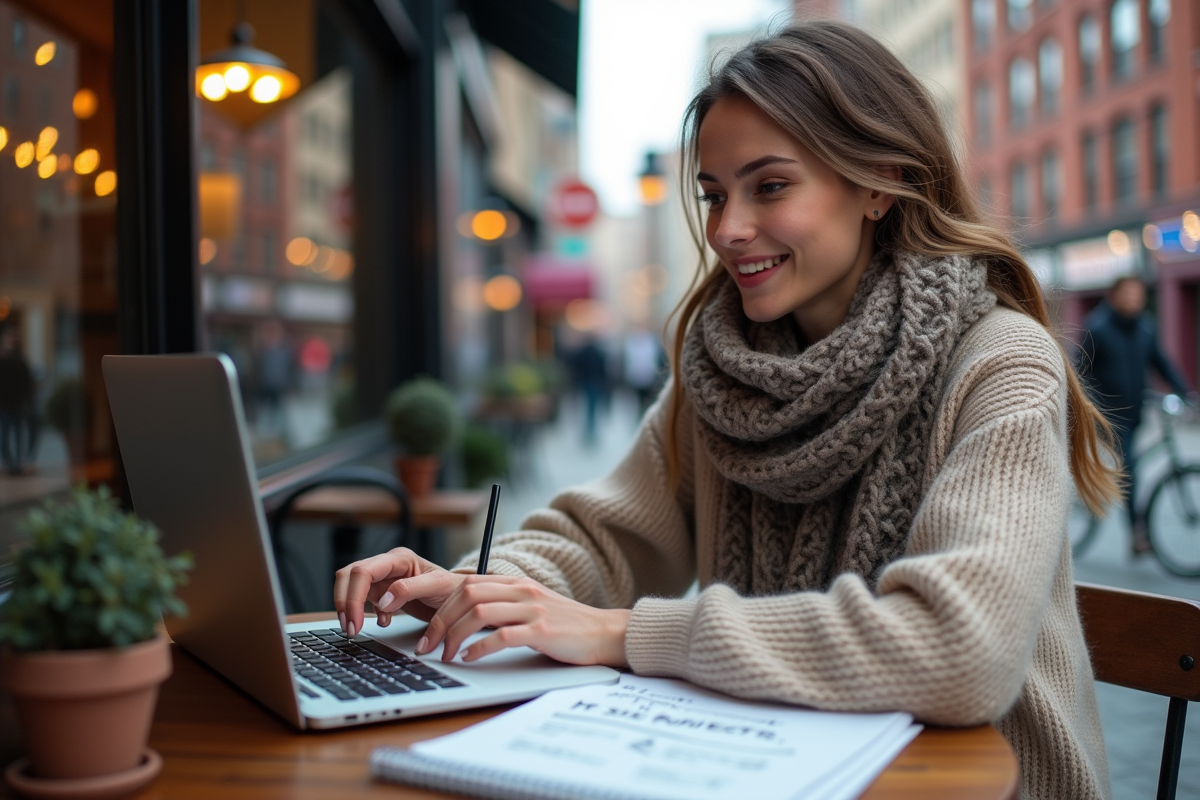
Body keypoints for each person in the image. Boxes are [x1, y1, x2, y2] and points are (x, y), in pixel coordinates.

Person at [334, 22, 1120, 800]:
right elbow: (603, 540)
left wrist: (624, 634)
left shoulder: (1000, 361)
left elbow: (962, 651)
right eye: (714, 194)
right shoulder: (722, 374)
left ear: (878, 182)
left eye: (769, 186)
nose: (727, 229)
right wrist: (480, 587)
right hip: (773, 766)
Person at [1076, 275, 1191, 554]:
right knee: (1131, 472)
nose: (1133, 300)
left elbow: (1161, 363)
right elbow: (1079, 373)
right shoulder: (1097, 328)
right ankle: (1136, 535)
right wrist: (1094, 407)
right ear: (1113, 297)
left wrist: (1184, 392)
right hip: (1109, 418)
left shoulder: (1146, 328)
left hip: (1136, 412)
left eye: (1137, 295)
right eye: (1127, 295)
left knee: (1130, 466)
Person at [0, 324, 35, 476]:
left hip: (16, 404)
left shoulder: (19, 360)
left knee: (15, 436)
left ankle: (17, 465)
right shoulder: (8, 359)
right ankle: (12, 464)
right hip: (7, 405)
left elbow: (27, 383)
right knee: (7, 437)